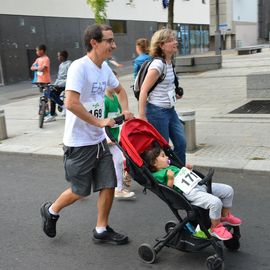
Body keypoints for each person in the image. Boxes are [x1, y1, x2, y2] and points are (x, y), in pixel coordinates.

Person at [40, 24, 133, 245]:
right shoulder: (79, 68)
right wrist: (100, 121)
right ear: (94, 42)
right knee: (80, 191)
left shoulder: (105, 68)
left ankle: (101, 229)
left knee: (108, 184)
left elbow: (120, 90)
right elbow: (71, 103)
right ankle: (51, 211)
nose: (114, 45)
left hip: (99, 141)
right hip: (79, 143)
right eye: (109, 41)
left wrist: (125, 110)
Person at [140, 142, 242, 241]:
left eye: (166, 155)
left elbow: (185, 177)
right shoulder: (157, 175)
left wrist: (188, 170)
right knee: (215, 202)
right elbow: (168, 192)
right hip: (188, 193)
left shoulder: (170, 167)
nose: (167, 157)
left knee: (228, 190)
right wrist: (170, 179)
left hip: (197, 185)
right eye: (163, 156)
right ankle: (215, 227)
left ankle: (224, 216)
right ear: (154, 163)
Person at [138, 28, 187, 165]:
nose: (175, 42)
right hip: (157, 112)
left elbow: (165, 86)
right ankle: (164, 178)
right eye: (170, 40)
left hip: (170, 110)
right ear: (161, 45)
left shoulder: (170, 63)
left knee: (181, 143)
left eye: (174, 39)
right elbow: (144, 91)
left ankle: (178, 173)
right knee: (161, 149)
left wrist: (175, 95)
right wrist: (142, 117)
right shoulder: (158, 65)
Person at [104, 71, 135, 199]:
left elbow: (119, 117)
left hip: (115, 138)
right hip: (107, 139)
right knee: (117, 161)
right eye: (113, 82)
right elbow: (100, 121)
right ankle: (119, 188)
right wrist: (106, 138)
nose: (116, 85)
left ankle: (120, 187)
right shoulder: (104, 101)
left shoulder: (115, 98)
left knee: (118, 161)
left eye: (117, 81)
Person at [44, 50, 72, 122]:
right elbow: (59, 77)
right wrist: (54, 84)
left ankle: (63, 106)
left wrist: (59, 84)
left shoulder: (69, 64)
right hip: (59, 84)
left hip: (66, 85)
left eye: (59, 56)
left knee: (52, 94)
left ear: (63, 56)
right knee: (50, 93)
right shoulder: (61, 65)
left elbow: (70, 77)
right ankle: (53, 114)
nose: (58, 57)